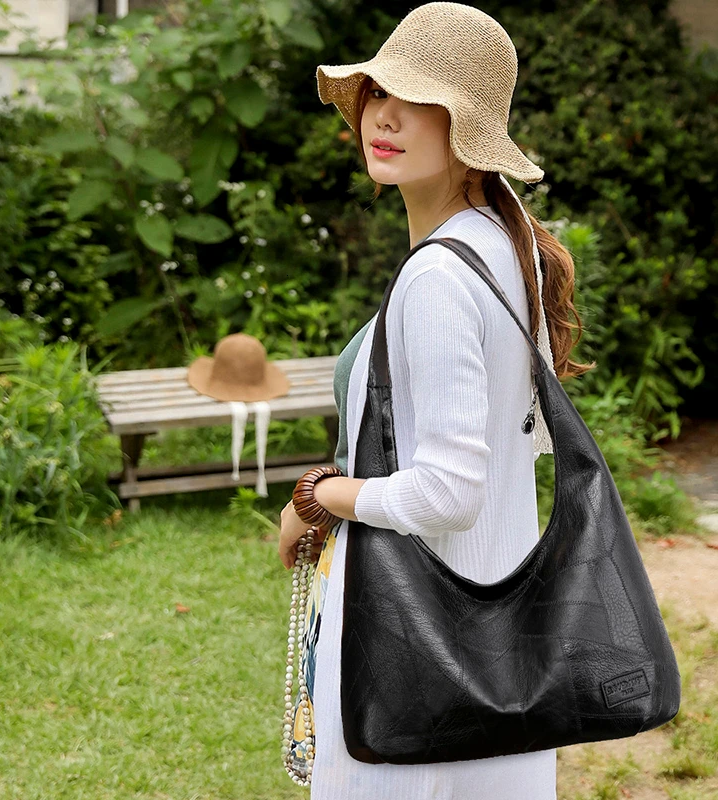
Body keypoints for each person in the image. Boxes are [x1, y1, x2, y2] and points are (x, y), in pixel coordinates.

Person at [278, 3, 592, 797]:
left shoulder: (441, 276)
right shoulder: (503, 243)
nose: (383, 115)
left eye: (418, 99)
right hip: (491, 637)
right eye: (379, 90)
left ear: (468, 132)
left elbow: (450, 491)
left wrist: (317, 498)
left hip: (417, 650)